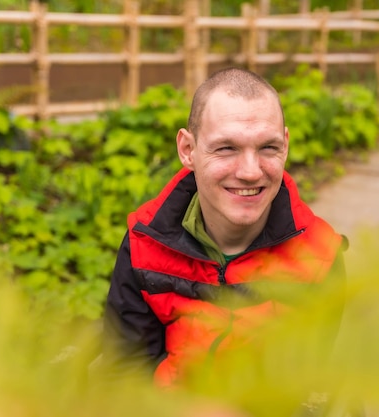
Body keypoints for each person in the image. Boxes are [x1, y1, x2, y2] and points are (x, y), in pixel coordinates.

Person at [101, 67, 347, 388]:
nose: (250, 172)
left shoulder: (319, 256)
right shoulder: (144, 245)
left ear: (285, 146)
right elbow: (126, 376)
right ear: (188, 150)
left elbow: (303, 390)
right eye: (227, 148)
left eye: (267, 148)